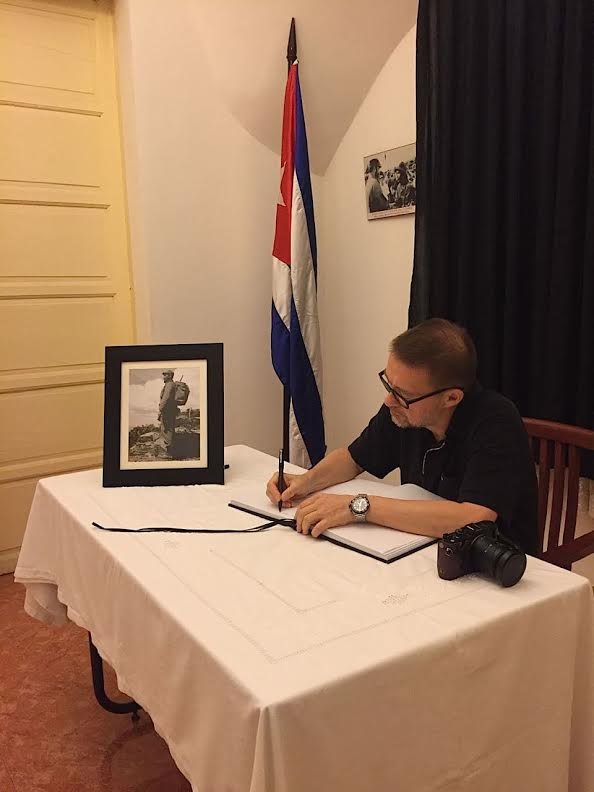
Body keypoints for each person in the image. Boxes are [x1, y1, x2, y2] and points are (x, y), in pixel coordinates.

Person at [266, 319, 538, 555]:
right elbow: (353, 458)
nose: (389, 400)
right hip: (422, 549)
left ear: (451, 398)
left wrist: (359, 507)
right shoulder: (404, 410)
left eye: (402, 395)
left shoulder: (496, 422)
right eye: (389, 385)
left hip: (495, 567)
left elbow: (474, 517)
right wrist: (305, 481)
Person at [157, 369, 178, 459]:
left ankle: (168, 454)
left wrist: (160, 409)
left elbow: (166, 398)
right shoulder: (171, 384)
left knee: (167, 430)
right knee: (169, 430)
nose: (163, 377)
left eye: (165, 375)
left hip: (167, 411)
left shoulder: (169, 385)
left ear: (169, 376)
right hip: (170, 410)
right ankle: (170, 452)